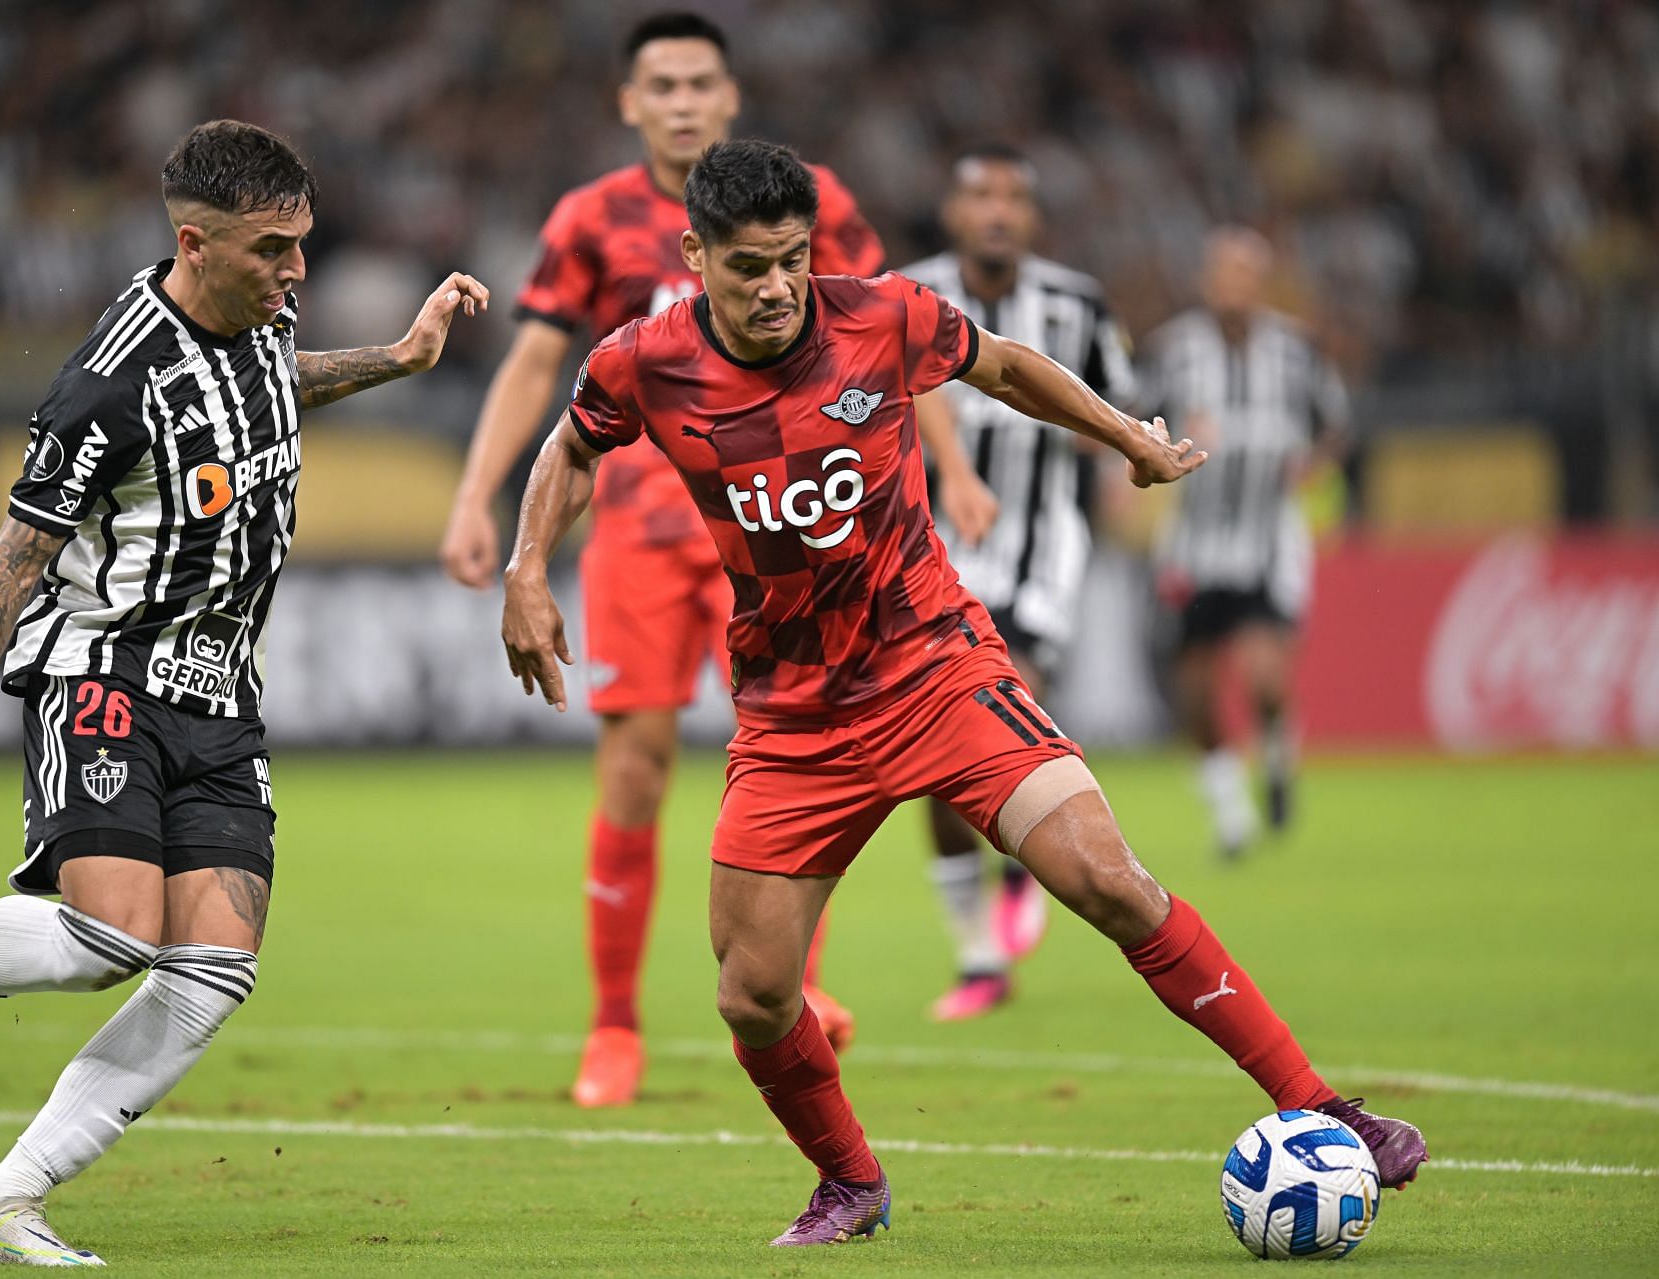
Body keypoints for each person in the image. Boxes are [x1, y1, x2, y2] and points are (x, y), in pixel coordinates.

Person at [501, 140, 1424, 1247]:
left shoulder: (882, 316)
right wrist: (525, 570)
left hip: (938, 667)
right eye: (748, 266)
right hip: (796, 716)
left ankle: (1322, 1107)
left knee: (1109, 879)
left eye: (792, 260)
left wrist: (1127, 438)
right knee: (751, 995)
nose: (776, 287)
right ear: (696, 254)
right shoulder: (643, 360)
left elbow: (1006, 365)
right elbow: (570, 447)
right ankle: (852, 1182)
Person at [0, 119, 488, 1265]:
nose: (298, 270)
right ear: (195, 242)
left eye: (303, 244)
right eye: (276, 248)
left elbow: (267, 392)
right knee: (115, 938)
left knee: (216, 967)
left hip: (223, 691)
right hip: (104, 669)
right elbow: (10, 564)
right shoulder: (106, 385)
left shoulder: (263, 312)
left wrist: (397, 360)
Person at [439, 11, 887, 1108]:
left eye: (700, 83)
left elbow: (893, 330)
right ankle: (614, 1025)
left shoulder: (808, 200)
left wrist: (946, 478)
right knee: (636, 766)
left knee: (807, 760)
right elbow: (537, 363)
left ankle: (804, 988)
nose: (683, 100)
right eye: (662, 85)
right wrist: (477, 494)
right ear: (628, 102)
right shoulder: (592, 218)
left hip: (786, 527)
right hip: (644, 529)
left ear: (731, 97)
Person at [901, 143, 1136, 1021]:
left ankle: (1016, 863)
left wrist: (1127, 454)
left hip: (1042, 546)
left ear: (1032, 217)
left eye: (1013, 197)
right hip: (930, 547)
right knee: (932, 765)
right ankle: (977, 956)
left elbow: (1106, 396)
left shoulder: (1077, 302)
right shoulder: (909, 290)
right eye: (980, 194)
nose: (997, 210)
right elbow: (903, 375)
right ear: (954, 212)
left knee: (1003, 700)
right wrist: (955, 470)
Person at [1140, 227, 1349, 856]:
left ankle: (1279, 758)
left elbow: (1335, 425)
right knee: (1198, 693)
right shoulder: (1173, 351)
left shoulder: (1296, 351)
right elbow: (1131, 420)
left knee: (1263, 678)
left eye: (1246, 273)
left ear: (1262, 281)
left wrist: (1313, 462)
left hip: (1267, 538)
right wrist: (1153, 453)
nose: (1234, 284)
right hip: (1193, 543)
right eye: (1224, 271)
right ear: (1208, 279)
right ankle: (1232, 815)